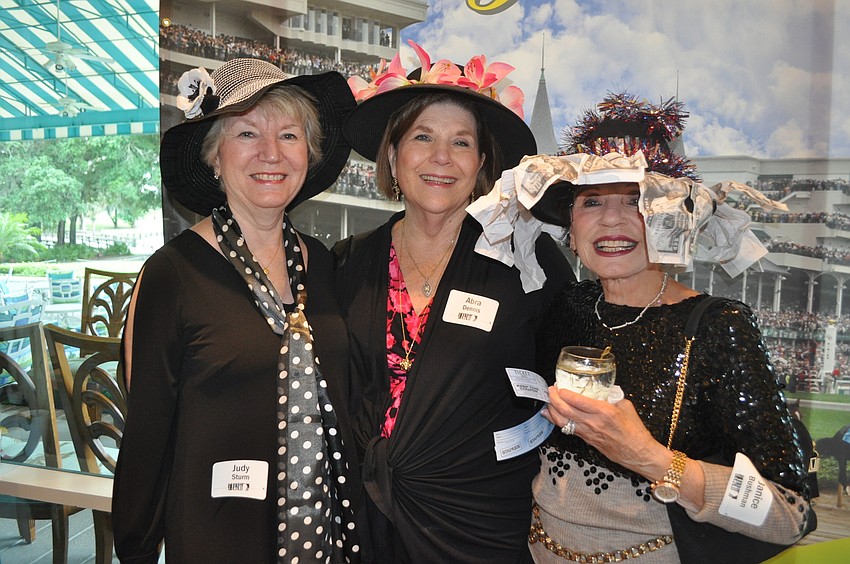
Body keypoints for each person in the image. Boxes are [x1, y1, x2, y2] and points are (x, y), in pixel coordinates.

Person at [481, 92, 815, 563]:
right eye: (592, 200)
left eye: (638, 201)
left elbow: (789, 513)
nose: (613, 219)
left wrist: (647, 456)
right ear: (570, 228)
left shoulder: (720, 327)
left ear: (676, 220)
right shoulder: (567, 307)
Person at [112, 58, 360, 563]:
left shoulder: (327, 266)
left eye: (290, 135)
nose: (272, 153)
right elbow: (146, 435)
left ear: (308, 156)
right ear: (214, 158)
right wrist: (136, 548)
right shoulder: (171, 275)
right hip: (217, 534)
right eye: (248, 132)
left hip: (329, 533)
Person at [333, 41, 573, 563]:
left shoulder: (524, 258)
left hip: (481, 522)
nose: (441, 158)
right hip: (364, 518)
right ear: (393, 156)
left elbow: (566, 378)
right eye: (422, 137)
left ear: (482, 163)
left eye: (461, 143)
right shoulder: (348, 262)